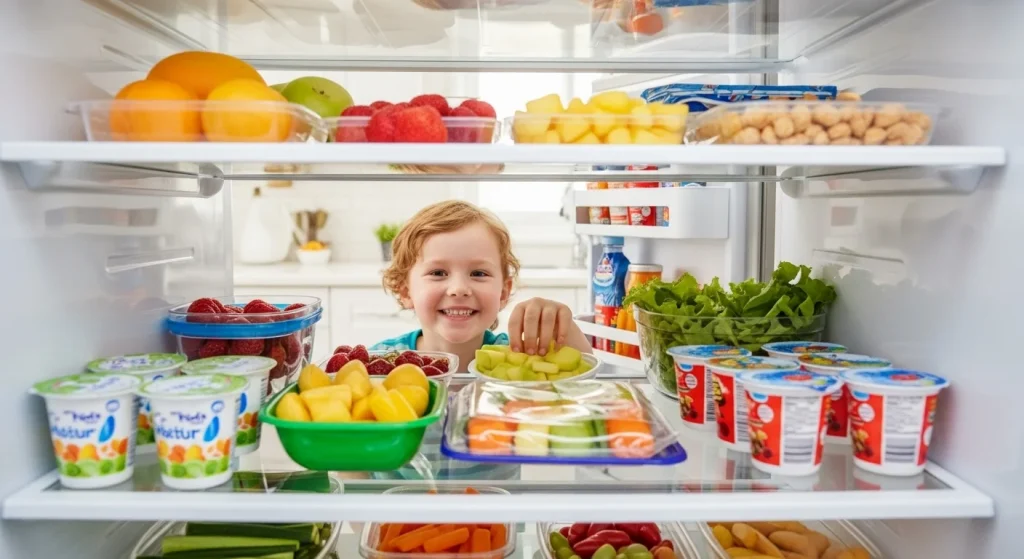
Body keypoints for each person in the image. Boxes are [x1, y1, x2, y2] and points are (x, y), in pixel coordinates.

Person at [372, 200, 591, 371]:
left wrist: (562, 325)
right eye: (438, 273)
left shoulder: (520, 355)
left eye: (478, 273)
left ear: (503, 292)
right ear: (405, 291)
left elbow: (588, 378)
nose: (458, 288)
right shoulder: (379, 362)